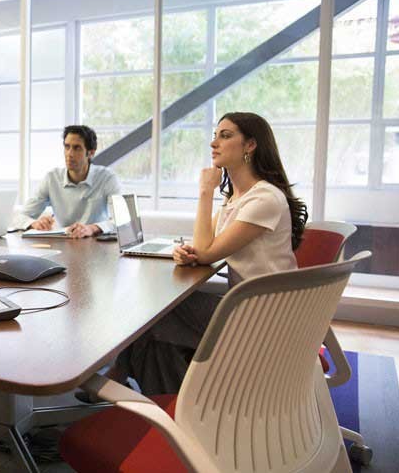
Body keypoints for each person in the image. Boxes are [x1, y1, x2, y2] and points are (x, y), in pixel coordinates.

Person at [95, 112, 308, 397]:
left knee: (155, 313)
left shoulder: (264, 199)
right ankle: (174, 398)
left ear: (250, 145)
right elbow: (202, 245)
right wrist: (188, 252)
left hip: (262, 319)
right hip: (247, 307)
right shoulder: (237, 199)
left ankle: (137, 382)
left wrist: (205, 191)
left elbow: (206, 252)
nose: (213, 143)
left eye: (225, 136)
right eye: (215, 135)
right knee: (156, 324)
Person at [13, 125, 121, 238]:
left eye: (77, 148)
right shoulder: (52, 178)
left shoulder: (107, 178)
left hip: (95, 243)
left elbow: (122, 220)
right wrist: (35, 223)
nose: (70, 154)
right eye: (67, 147)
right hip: (62, 242)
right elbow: (20, 217)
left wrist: (92, 228)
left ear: (91, 153)